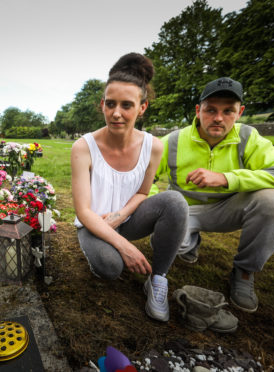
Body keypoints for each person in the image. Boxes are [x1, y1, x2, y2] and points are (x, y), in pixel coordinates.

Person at [155, 77, 274, 313]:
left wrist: (226, 178)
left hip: (230, 208)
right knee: (163, 244)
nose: (218, 118)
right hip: (185, 210)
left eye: (228, 111)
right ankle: (189, 241)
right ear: (198, 110)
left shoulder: (248, 138)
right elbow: (144, 178)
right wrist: (160, 205)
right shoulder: (173, 140)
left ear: (239, 112)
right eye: (211, 110)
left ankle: (244, 272)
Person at [71, 53, 189, 322]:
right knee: (111, 267)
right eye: (110, 104)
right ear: (101, 104)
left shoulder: (153, 146)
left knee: (175, 202)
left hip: (128, 218)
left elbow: (143, 193)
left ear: (142, 107)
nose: (116, 113)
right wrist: (125, 247)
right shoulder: (83, 147)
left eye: (127, 105)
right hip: (94, 224)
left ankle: (157, 279)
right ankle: (102, 252)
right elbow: (83, 211)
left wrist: (121, 216)